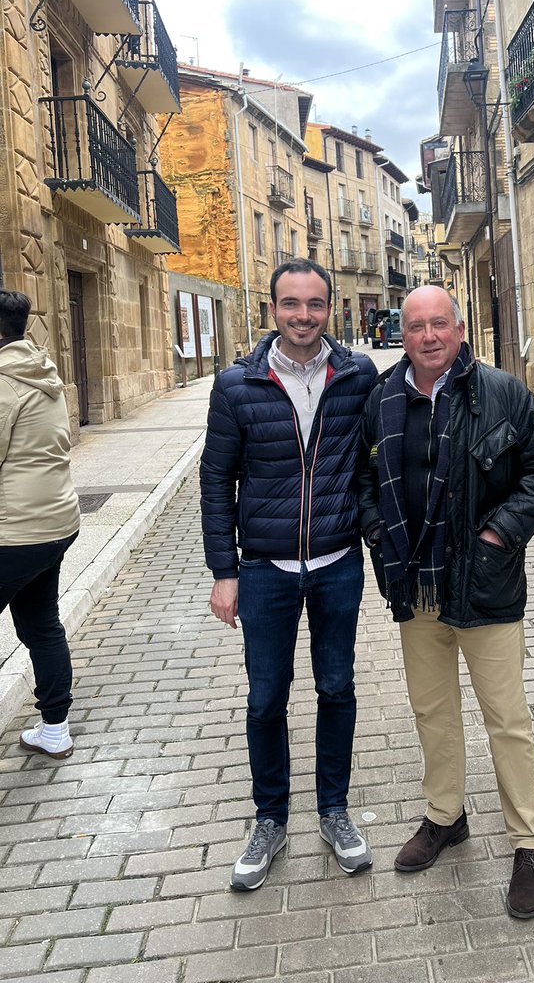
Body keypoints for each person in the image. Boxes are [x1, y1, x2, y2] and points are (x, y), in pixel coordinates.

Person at [358, 286, 534, 919]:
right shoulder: (382, 398)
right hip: (414, 585)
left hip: (485, 586)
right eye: (415, 325)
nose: (427, 336)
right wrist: (377, 531)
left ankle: (529, 844)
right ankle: (446, 817)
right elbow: (367, 480)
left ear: (459, 328)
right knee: (432, 711)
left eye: (439, 324)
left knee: (507, 719)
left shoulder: (503, 393)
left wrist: (498, 532)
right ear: (404, 331)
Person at [201, 259, 378, 890]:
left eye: (314, 304)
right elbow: (217, 482)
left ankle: (334, 811)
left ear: (329, 308)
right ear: (272, 309)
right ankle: (270, 819)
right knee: (265, 698)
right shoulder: (237, 385)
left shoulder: (357, 375)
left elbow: (373, 462)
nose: (303, 315)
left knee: (336, 688)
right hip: (266, 570)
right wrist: (225, 571)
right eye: (290, 304)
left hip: (337, 564)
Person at [0, 289, 80, 760]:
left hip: (15, 529)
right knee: (41, 624)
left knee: (41, 625)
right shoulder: (40, 371)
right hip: (55, 522)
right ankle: (54, 729)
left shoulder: (3, 382)